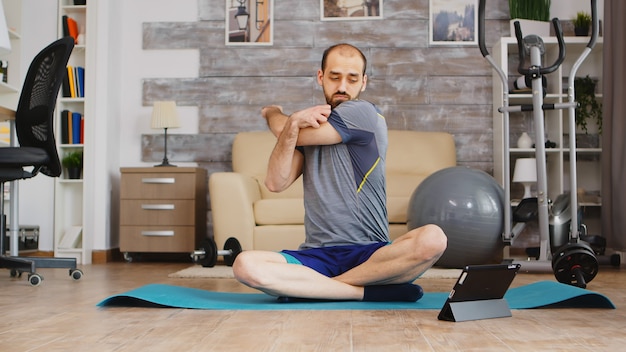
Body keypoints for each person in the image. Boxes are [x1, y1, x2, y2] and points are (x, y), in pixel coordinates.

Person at [232, 43, 447, 302]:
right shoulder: (308, 128)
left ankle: (318, 288)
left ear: (364, 82)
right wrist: (294, 124)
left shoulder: (364, 113)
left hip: (371, 256)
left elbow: (282, 129)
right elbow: (275, 183)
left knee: (433, 238)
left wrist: (274, 113)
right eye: (334, 77)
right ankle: (361, 292)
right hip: (316, 256)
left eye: (352, 78)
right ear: (320, 77)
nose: (343, 87)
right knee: (244, 264)